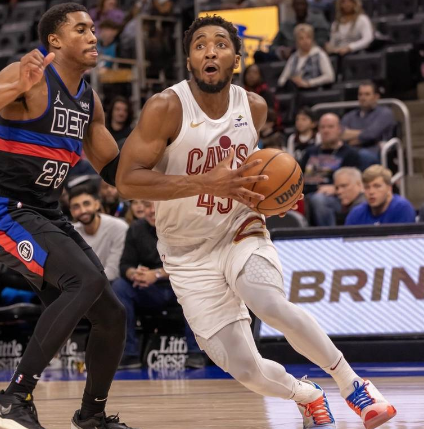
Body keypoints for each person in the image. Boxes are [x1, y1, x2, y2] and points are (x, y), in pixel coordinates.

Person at [116, 15, 396, 429]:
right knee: (244, 367)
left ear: (236, 59)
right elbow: (126, 181)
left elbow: (257, 168)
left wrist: (277, 193)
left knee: (268, 303)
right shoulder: (166, 107)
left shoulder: (254, 107)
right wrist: (204, 183)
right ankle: (306, 395)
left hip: (238, 228)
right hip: (185, 251)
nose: (210, 51)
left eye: (220, 44)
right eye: (199, 46)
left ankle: (354, 385)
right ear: (190, 61)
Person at [0, 4, 135, 429]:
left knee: (111, 314)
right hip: (3, 209)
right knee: (85, 280)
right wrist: (14, 86)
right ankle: (12, 397)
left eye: (93, 29)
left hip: (46, 213)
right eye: (81, 29)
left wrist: (180, 176)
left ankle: (91, 416)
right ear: (55, 40)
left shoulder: (89, 101)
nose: (93, 36)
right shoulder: (30, 76)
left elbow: (117, 172)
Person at [113, 200, 204, 370]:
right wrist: (135, 274)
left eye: (156, 206)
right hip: (150, 290)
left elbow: (191, 263)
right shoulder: (136, 228)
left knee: (194, 287)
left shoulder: (184, 226)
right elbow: (124, 265)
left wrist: (156, 274)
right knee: (119, 287)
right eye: (147, 206)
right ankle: (129, 354)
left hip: (179, 286)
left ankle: (196, 352)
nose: (151, 211)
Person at [301, 113, 363, 226]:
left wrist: (335, 187)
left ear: (339, 129)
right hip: (306, 195)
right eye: (322, 127)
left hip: (334, 198)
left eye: (330, 127)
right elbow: (298, 177)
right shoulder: (310, 152)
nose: (326, 131)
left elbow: (354, 183)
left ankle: (329, 235)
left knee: (319, 199)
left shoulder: (349, 153)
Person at [70, 185, 128, 283]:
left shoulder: (118, 227)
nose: (83, 210)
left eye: (86, 204)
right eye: (76, 207)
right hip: (82, 284)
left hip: (110, 284)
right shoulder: (70, 232)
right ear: (71, 212)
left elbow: (113, 271)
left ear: (97, 205)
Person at [341, 81, 396, 169]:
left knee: (361, 155)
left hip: (375, 152)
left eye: (367, 94)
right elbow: (340, 133)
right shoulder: (350, 116)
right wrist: (365, 133)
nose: (363, 98)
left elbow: (371, 134)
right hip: (350, 150)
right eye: (360, 94)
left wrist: (350, 136)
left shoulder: (385, 113)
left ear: (376, 97)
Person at [255, 0, 329, 62]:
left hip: (309, 55)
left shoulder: (318, 21)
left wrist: (296, 49)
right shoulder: (285, 25)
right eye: (297, 5)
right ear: (293, 7)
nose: (300, 8)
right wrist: (282, 50)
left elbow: (322, 42)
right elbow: (272, 46)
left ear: (307, 5)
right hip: (285, 58)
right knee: (259, 55)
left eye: (302, 4)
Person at [346, 165, 416, 225]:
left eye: (377, 186)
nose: (371, 192)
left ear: (389, 188)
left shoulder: (402, 209)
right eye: (367, 187)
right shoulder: (356, 213)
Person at [277, 24, 335, 90]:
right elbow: (281, 80)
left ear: (312, 39)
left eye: (308, 37)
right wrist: (294, 80)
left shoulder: (319, 54)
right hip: (296, 90)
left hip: (313, 91)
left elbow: (330, 77)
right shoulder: (293, 57)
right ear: (296, 41)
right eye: (301, 38)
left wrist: (308, 83)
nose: (305, 41)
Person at [242, 64, 281, 129]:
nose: (251, 75)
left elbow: (272, 116)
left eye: (255, 73)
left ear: (260, 76)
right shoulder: (241, 93)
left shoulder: (266, 94)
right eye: (249, 72)